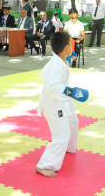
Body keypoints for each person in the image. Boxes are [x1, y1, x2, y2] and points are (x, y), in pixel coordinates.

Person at [35, 31, 89, 178]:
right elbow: (52, 85)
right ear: (66, 47)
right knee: (62, 134)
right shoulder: (56, 65)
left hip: (63, 100)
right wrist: (71, 91)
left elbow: (48, 73)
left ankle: (69, 147)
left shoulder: (60, 60)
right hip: (54, 103)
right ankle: (44, 165)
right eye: (70, 44)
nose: (72, 46)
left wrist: (69, 58)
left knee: (73, 122)